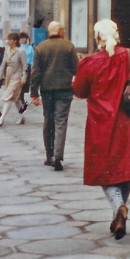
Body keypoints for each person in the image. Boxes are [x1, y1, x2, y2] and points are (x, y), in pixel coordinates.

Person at [72, 19, 130, 240]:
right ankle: (119, 212)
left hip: (101, 125)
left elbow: (79, 92)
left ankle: (119, 208)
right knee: (124, 169)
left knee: (104, 171)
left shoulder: (88, 62)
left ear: (97, 37)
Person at [30, 21, 79, 171]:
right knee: (60, 121)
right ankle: (57, 156)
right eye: (63, 29)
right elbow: (77, 69)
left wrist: (34, 93)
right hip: (64, 90)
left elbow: (35, 72)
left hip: (47, 90)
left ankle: (48, 155)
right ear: (59, 31)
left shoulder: (40, 48)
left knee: (48, 121)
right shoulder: (68, 46)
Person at [0, 32, 28, 126]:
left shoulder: (21, 51)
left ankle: (2, 118)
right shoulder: (7, 50)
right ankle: (22, 116)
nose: (8, 41)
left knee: (8, 96)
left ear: (15, 41)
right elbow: (3, 64)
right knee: (16, 98)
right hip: (8, 76)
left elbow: (25, 66)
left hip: (17, 77)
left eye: (10, 39)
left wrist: (23, 78)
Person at [18, 31, 35, 121]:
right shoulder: (19, 48)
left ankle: (24, 97)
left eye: (24, 38)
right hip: (20, 66)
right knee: (20, 83)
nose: (23, 39)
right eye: (21, 38)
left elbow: (32, 58)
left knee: (26, 83)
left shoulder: (30, 48)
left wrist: (32, 68)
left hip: (27, 67)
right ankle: (21, 99)